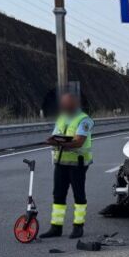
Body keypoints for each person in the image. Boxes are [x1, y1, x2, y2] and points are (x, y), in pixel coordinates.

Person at [40, 93, 94, 239]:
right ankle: (56, 228)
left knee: (79, 195)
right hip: (60, 162)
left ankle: (78, 226)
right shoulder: (62, 118)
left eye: (67, 104)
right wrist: (52, 140)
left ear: (74, 104)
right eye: (63, 104)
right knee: (58, 195)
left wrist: (59, 143)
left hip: (78, 163)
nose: (64, 107)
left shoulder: (84, 120)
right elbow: (55, 135)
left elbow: (79, 142)